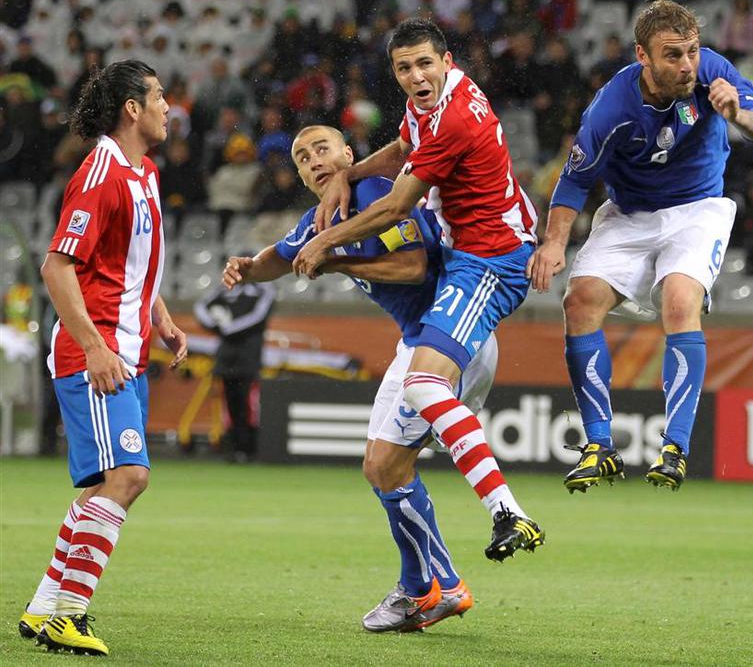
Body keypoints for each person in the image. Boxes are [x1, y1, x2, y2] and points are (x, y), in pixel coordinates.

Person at [221, 124, 495, 632]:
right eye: (303, 157)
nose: (313, 160)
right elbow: (280, 257)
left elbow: (413, 267)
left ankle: (428, 588)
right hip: (415, 343)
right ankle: (435, 586)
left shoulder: (376, 192)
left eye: (322, 149)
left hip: (451, 339)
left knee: (388, 465)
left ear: (348, 154)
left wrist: (334, 262)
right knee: (380, 467)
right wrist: (246, 266)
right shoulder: (318, 220)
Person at [301, 18, 545, 562]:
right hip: (470, 257)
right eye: (404, 67)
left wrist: (326, 244)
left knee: (423, 384)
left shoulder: (454, 118)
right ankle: (437, 580)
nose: (415, 76)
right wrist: (348, 174)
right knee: (394, 441)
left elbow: (395, 205)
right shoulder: (430, 105)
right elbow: (402, 149)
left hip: (492, 260)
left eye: (424, 64)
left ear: (447, 62)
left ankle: (509, 512)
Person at [528, 0, 753, 493]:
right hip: (630, 215)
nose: (687, 65)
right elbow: (575, 179)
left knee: (680, 300)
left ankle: (676, 446)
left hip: (698, 208)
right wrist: (554, 243)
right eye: (673, 55)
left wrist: (736, 112)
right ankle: (599, 445)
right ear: (642, 56)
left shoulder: (712, 72)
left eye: (692, 51)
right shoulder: (612, 108)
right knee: (579, 301)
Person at [19, 60, 188, 656]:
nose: (169, 106)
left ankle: (44, 608)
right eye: (159, 96)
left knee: (101, 487)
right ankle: (70, 614)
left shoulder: (145, 173)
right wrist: (95, 346)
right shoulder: (101, 174)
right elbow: (56, 266)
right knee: (129, 477)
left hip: (128, 352)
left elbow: (130, 262)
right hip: (97, 354)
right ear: (132, 109)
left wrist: (159, 314)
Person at [194, 273, 276, 461]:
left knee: (248, 403)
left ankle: (249, 448)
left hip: (249, 357)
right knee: (230, 403)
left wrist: (229, 327)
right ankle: (233, 447)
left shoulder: (264, 288)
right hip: (226, 358)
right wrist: (215, 324)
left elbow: (259, 315)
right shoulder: (226, 287)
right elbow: (201, 307)